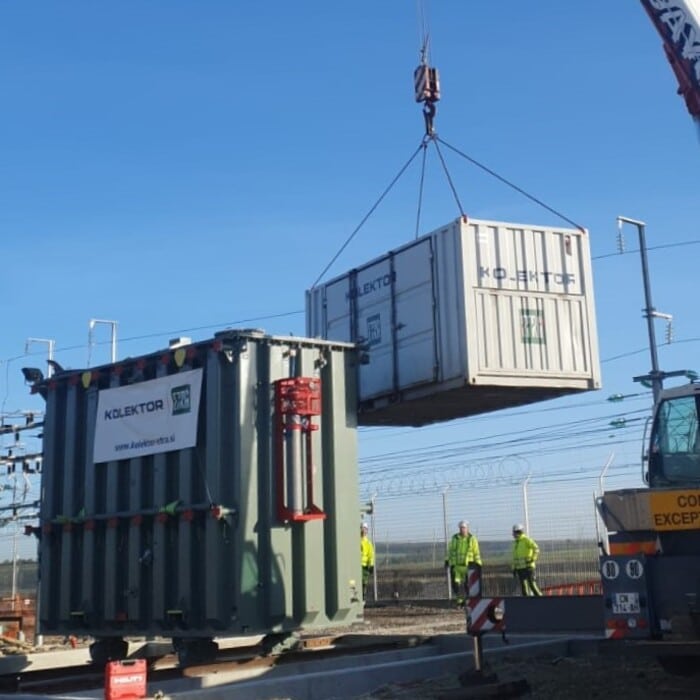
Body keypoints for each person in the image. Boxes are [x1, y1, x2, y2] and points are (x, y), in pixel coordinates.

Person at [445, 520, 482, 605]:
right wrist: (447, 560)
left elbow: (476, 552)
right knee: (456, 585)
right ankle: (459, 601)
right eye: (461, 528)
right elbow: (450, 551)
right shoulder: (455, 538)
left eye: (464, 528)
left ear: (467, 528)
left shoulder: (472, 539)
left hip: (468, 566)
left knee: (467, 585)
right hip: (457, 566)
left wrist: (479, 564)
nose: (462, 530)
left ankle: (468, 600)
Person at [511, 523, 542, 596]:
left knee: (532, 585)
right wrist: (514, 568)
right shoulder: (515, 543)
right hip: (520, 569)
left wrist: (533, 559)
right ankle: (527, 604)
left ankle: (542, 600)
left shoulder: (527, 540)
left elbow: (536, 549)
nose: (513, 534)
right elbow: (515, 558)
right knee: (524, 587)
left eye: (514, 532)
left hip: (528, 567)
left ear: (519, 532)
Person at [360, 522, 375, 601]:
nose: (363, 530)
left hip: (364, 567)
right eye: (362, 528)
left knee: (364, 582)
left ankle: (363, 595)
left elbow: (370, 556)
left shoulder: (368, 543)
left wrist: (371, 565)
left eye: (365, 529)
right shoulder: (357, 540)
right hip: (356, 566)